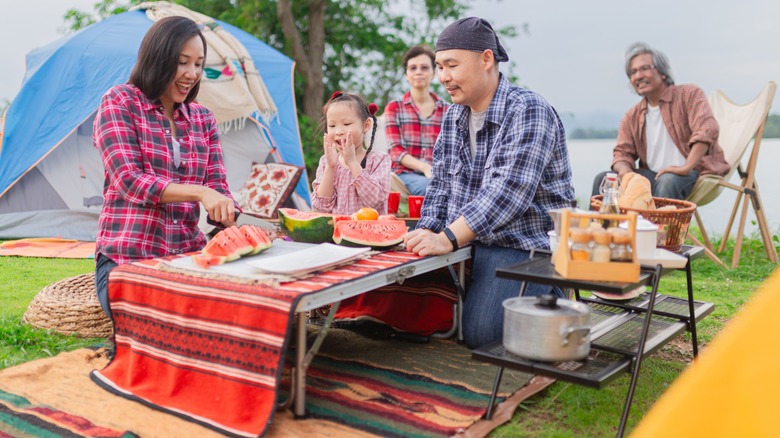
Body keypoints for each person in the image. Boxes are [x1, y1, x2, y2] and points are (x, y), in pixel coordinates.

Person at [404, 17, 575, 348]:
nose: (443, 78)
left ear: (486, 59)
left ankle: (555, 289)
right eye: (439, 67)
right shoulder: (454, 116)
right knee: (403, 308)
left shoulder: (529, 109)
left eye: (451, 65)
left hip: (526, 244)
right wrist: (427, 231)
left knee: (484, 335)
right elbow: (439, 185)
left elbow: (508, 195)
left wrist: (448, 239)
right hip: (470, 242)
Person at [93, 16, 239, 320]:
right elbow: (129, 180)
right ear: (158, 58)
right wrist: (201, 193)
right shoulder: (119, 102)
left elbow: (218, 186)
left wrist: (233, 220)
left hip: (189, 258)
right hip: (127, 262)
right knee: (169, 321)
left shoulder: (203, 119)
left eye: (198, 64)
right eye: (182, 62)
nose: (192, 74)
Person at [591, 42, 730, 200]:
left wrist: (686, 167)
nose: (638, 76)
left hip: (692, 172)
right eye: (633, 72)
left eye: (644, 68)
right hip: (653, 175)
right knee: (604, 179)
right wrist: (627, 174)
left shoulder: (689, 94)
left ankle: (658, 226)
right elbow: (622, 153)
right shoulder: (632, 116)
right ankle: (603, 226)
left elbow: (707, 130)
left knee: (667, 181)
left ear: (663, 72)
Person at [384, 45, 449, 196]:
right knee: (429, 187)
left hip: (440, 175)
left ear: (434, 72)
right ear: (406, 74)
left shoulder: (447, 109)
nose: (418, 72)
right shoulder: (394, 107)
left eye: (424, 67)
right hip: (404, 174)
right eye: (413, 68)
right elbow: (395, 151)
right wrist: (425, 168)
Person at [311, 91, 391, 215]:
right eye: (332, 125)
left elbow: (375, 200)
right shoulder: (325, 162)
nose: (338, 131)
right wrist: (330, 167)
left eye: (346, 124)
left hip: (368, 232)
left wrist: (352, 162)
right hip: (336, 231)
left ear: (366, 125)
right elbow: (321, 208)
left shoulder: (379, 160)